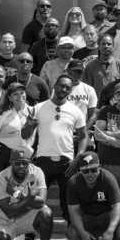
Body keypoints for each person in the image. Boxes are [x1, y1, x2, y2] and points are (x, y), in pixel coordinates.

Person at [0, 147, 55, 240]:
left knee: (46, 214)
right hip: (4, 220)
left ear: (30, 161)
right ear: (10, 161)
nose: (21, 166)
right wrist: (31, 197)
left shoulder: (37, 172)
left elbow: (41, 202)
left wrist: (16, 193)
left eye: (25, 162)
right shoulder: (1, 178)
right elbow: (9, 212)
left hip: (27, 217)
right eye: (17, 163)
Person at [33, 74, 88, 222]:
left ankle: (74, 236)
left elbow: (84, 137)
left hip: (67, 163)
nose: (63, 89)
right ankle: (30, 236)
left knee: (69, 202)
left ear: (70, 91)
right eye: (61, 85)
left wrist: (78, 158)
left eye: (67, 88)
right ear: (54, 86)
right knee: (36, 199)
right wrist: (29, 123)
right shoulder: (38, 108)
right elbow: (26, 135)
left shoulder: (75, 110)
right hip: (43, 160)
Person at [66, 152, 120, 240]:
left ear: (99, 167)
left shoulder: (108, 178)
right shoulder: (73, 182)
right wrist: (82, 232)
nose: (90, 174)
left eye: (93, 170)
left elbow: (117, 206)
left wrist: (110, 230)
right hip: (88, 216)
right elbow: (74, 210)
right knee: (72, 233)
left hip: (108, 215)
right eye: (85, 171)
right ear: (80, 170)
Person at [0, 82, 36, 176]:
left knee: (19, 186)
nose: (20, 96)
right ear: (10, 98)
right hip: (1, 154)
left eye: (22, 92)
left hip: (22, 156)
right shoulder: (1, 112)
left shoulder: (33, 111)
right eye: (15, 94)